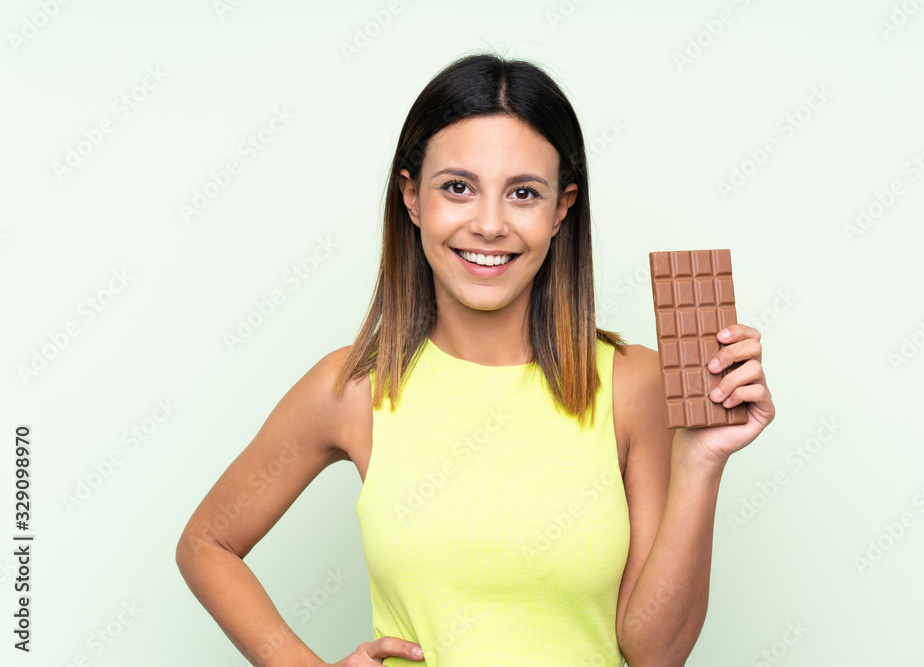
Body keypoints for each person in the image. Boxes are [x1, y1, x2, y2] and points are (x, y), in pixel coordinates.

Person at [175, 51, 775, 667]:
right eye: (458, 188)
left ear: (561, 208)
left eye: (523, 193)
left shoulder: (634, 383)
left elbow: (656, 654)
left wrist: (701, 460)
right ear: (412, 197)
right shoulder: (354, 386)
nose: (489, 225)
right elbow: (207, 543)